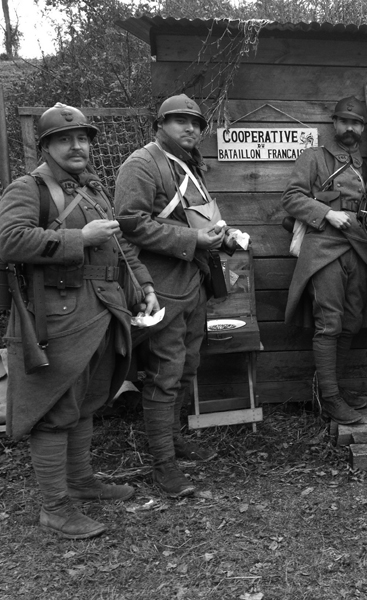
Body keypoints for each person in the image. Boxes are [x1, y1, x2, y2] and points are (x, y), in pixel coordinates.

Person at [0, 104, 159, 538]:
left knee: (86, 401)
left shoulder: (91, 189)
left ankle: (81, 481)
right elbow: (8, 241)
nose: (77, 146)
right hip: (55, 316)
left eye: (83, 138)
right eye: (65, 139)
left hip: (100, 310)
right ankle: (54, 507)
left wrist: (144, 285)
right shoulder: (27, 188)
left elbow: (121, 246)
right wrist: (78, 238)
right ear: (46, 146)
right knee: (55, 409)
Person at [116, 94, 236, 497]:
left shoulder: (189, 165)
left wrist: (223, 236)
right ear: (160, 124)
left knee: (187, 367)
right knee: (165, 375)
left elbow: (197, 217)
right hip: (162, 284)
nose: (190, 129)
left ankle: (172, 438)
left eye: (195, 123)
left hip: (192, 282)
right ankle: (163, 467)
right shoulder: (142, 163)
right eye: (179, 121)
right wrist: (193, 238)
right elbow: (129, 223)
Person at [282, 96, 367, 425]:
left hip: (358, 248)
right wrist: (328, 213)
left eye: (356, 123)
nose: (350, 128)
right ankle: (330, 399)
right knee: (330, 324)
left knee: (351, 321)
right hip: (324, 248)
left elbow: (364, 209)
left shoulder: (363, 166)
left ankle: (332, 388)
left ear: (363, 129)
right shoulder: (314, 157)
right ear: (334, 124)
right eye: (344, 122)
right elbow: (292, 198)